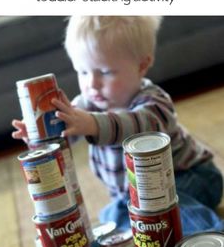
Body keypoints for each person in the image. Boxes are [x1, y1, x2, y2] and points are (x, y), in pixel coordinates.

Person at [12, 16, 224, 234]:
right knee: (111, 220)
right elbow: (65, 131)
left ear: (142, 66)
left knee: (169, 210)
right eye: (83, 72)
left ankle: (212, 238)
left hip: (189, 178)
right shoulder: (88, 103)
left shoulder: (155, 103)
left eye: (105, 72)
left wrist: (92, 123)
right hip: (131, 195)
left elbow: (136, 127)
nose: (92, 84)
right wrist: (40, 136)